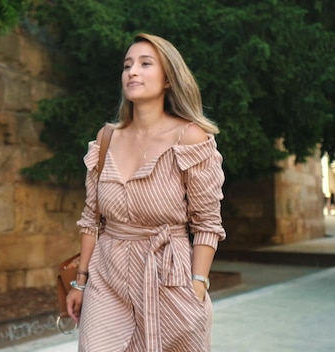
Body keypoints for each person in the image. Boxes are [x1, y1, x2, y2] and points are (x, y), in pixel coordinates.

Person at [66, 33, 226, 351]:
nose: (132, 72)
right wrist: (79, 283)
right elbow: (91, 219)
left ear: (168, 79)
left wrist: (196, 285)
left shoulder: (190, 138)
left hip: (169, 277)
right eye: (127, 65)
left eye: (144, 64)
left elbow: (207, 224)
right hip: (107, 277)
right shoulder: (107, 137)